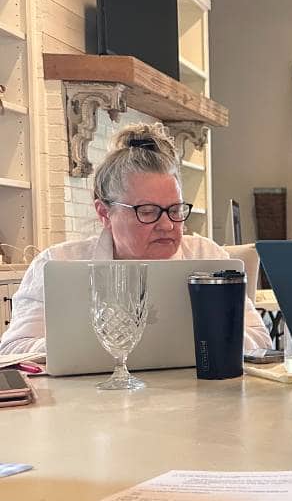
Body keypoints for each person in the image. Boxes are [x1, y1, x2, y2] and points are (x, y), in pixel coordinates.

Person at [0, 123, 272, 355]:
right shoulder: (57, 264)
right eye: (148, 211)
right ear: (104, 213)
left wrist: (196, 341)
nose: (167, 224)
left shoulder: (208, 257)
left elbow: (260, 342)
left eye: (175, 210)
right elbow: (13, 349)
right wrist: (86, 348)